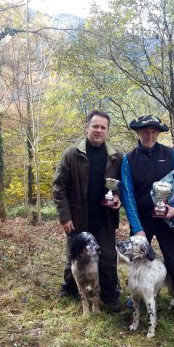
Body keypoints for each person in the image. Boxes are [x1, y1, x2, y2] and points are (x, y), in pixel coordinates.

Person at [121, 115, 174, 330]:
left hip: (167, 219)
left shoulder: (170, 154)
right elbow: (128, 195)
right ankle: (136, 297)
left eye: (153, 132)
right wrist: (137, 229)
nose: (149, 135)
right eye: (145, 131)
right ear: (138, 133)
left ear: (158, 133)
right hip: (142, 222)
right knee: (136, 263)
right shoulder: (128, 160)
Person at [53, 110, 122, 312]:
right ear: (87, 128)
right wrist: (64, 217)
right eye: (95, 126)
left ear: (107, 130)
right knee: (74, 256)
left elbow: (120, 186)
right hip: (78, 218)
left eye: (103, 127)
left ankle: (109, 296)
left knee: (108, 257)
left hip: (105, 218)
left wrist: (117, 197)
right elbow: (59, 187)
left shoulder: (116, 156)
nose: (99, 130)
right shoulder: (71, 154)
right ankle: (70, 289)